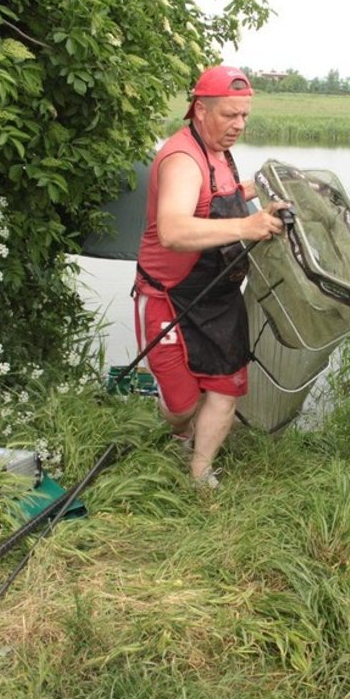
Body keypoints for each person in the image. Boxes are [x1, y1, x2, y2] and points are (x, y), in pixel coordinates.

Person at [133, 65, 288, 487]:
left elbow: (223, 196)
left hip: (218, 294)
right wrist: (246, 227)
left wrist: (265, 192)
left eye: (245, 116)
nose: (239, 125)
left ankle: (201, 475)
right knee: (181, 405)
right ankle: (181, 431)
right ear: (200, 110)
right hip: (169, 295)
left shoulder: (220, 152)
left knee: (226, 386)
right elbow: (174, 229)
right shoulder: (184, 160)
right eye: (229, 115)